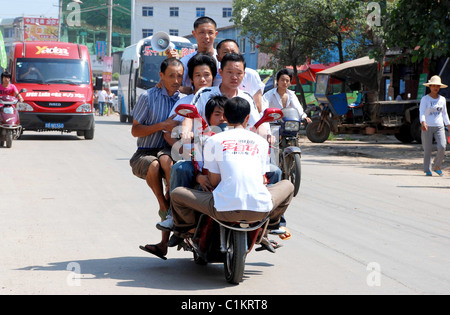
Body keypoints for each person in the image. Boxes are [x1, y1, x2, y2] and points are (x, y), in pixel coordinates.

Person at [170, 97, 294, 252]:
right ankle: (271, 225)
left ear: (225, 117)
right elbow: (262, 178)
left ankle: (188, 230)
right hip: (261, 210)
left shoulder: (214, 141)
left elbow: (214, 182)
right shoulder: (261, 142)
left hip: (222, 209)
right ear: (247, 118)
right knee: (288, 185)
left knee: (176, 194)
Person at [131, 58, 184, 259]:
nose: (176, 80)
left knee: (172, 174)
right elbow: (135, 130)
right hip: (145, 152)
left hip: (171, 151)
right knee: (154, 165)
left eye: (179, 75)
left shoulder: (184, 99)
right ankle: (163, 205)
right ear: (161, 76)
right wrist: (162, 125)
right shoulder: (148, 97)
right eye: (171, 75)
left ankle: (164, 242)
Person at [166, 16, 219, 94]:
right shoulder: (185, 61)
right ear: (194, 34)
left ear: (215, 34)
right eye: (202, 32)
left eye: (210, 32)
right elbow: (172, 86)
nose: (206, 37)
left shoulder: (222, 60)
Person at [214, 39, 265, 113]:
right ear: (218, 57)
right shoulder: (214, 75)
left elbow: (257, 107)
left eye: (233, 52)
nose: (229, 55)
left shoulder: (251, 74)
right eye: (225, 52)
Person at [419, 75, 450, 177]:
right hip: (427, 126)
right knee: (428, 149)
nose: (436, 88)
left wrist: (448, 125)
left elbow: (444, 114)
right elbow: (422, 112)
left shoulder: (442, 99)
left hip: (439, 126)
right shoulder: (425, 99)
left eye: (437, 86)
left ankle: (437, 166)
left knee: (442, 146)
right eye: (434, 86)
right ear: (430, 86)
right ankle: (427, 169)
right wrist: (423, 122)